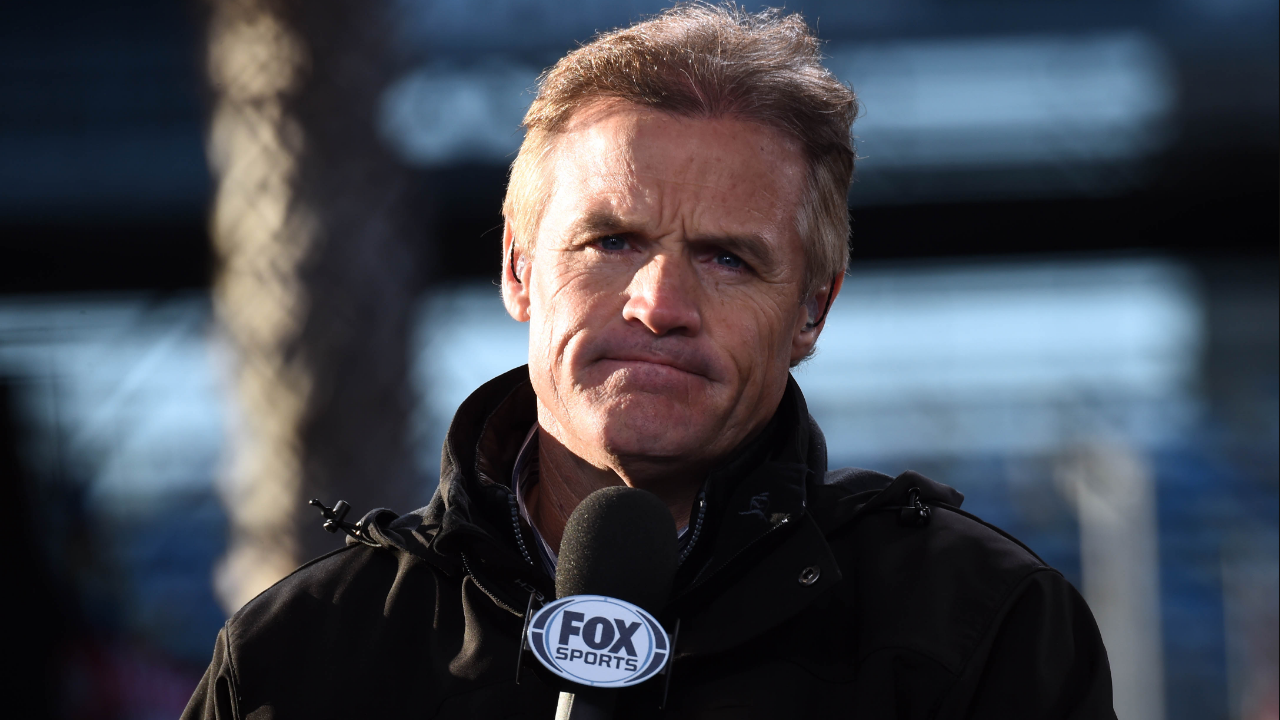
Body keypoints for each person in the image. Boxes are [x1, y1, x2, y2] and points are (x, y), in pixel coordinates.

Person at [183, 5, 1116, 718]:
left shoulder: (983, 627)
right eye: (612, 242)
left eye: (727, 257)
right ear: (518, 269)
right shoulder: (300, 657)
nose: (661, 306)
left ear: (811, 311)